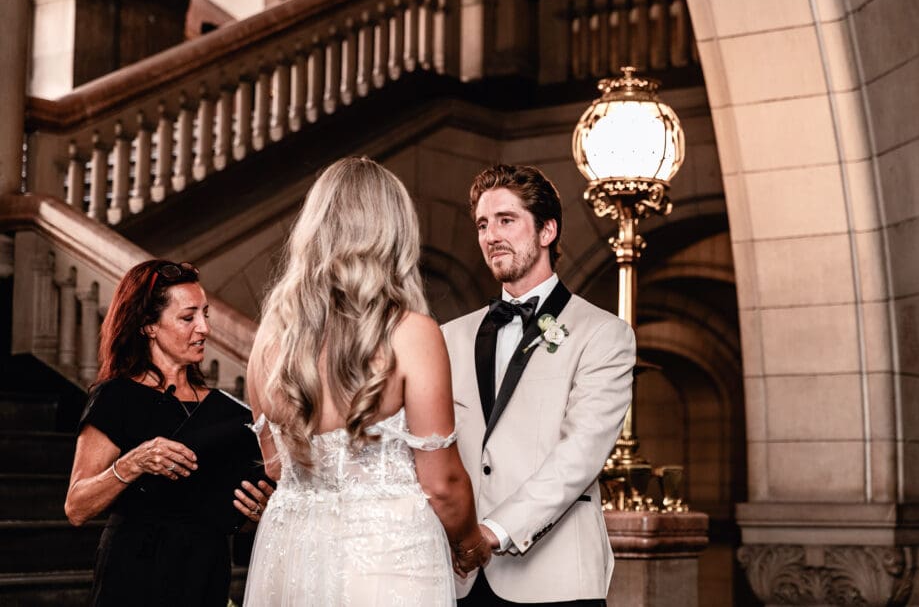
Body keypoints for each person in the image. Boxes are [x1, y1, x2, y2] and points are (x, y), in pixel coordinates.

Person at [243, 156, 490, 606]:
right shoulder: (412, 333)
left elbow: (277, 466)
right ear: (394, 234)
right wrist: (471, 544)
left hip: (295, 553)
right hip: (387, 559)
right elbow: (442, 484)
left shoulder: (269, 340)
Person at [441, 164, 636, 606]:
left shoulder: (603, 334)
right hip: (461, 577)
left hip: (556, 577)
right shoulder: (448, 337)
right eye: (483, 224)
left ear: (547, 230)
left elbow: (579, 455)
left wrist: (495, 530)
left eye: (507, 220)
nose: (491, 236)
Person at [64, 260, 274, 607]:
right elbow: (76, 507)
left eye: (205, 314)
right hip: (138, 567)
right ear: (148, 325)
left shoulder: (224, 408)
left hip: (206, 565)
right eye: (188, 317)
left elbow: (224, 503)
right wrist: (133, 463)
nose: (204, 328)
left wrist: (256, 510)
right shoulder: (116, 397)